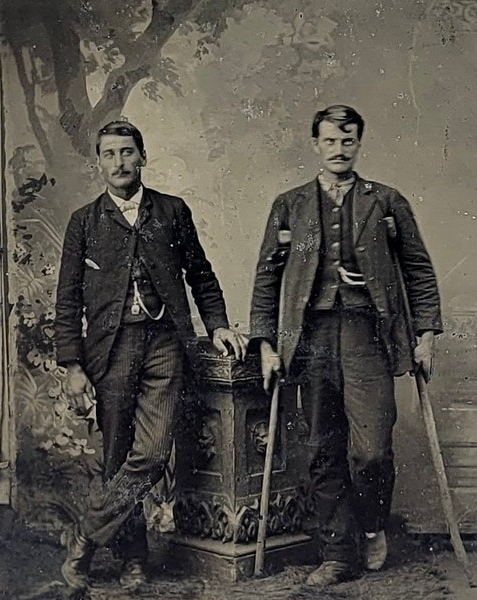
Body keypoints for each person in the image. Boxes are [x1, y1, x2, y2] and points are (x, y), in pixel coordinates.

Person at [249, 105, 442, 585]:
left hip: (367, 337)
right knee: (320, 448)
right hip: (309, 339)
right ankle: (337, 554)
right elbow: (267, 278)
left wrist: (426, 335)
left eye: (348, 140)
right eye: (330, 141)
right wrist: (267, 345)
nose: (339, 149)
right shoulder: (289, 204)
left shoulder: (386, 201)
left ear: (359, 143)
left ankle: (373, 526)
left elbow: (418, 268)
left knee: (371, 449)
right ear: (316, 144)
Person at [54, 120, 247, 591]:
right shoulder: (84, 221)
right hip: (110, 350)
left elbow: (201, 274)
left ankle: (84, 537)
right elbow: (67, 299)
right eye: (109, 154)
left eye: (127, 152)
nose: (119, 162)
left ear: (143, 156)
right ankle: (132, 558)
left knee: (153, 454)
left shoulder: (172, 211)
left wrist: (218, 324)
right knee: (119, 456)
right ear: (98, 162)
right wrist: (74, 366)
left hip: (165, 343)